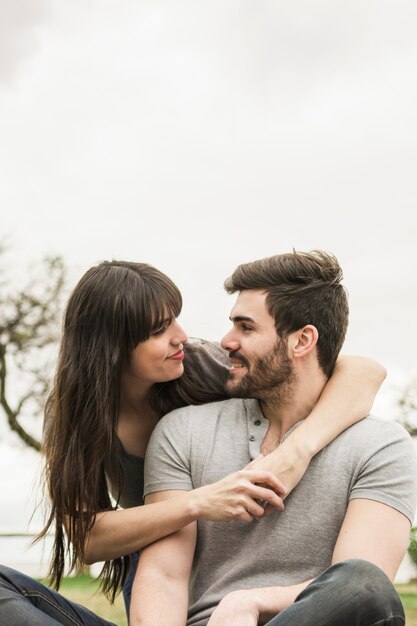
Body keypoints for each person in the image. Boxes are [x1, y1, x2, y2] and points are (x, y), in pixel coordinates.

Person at [0, 258, 386, 625]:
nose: (181, 336)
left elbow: (363, 371)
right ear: (111, 346)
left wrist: (296, 452)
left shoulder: (202, 365)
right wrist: (199, 502)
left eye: (175, 320)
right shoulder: (76, 414)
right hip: (159, 557)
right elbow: (85, 539)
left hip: (224, 554)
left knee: (360, 587)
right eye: (158, 331)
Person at [130, 250, 417, 626]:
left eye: (246, 328)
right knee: (23, 593)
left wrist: (249, 602)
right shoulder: (182, 430)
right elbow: (164, 576)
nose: (227, 341)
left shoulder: (380, 447)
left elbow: (361, 587)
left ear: (302, 341)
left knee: (363, 582)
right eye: (232, 324)